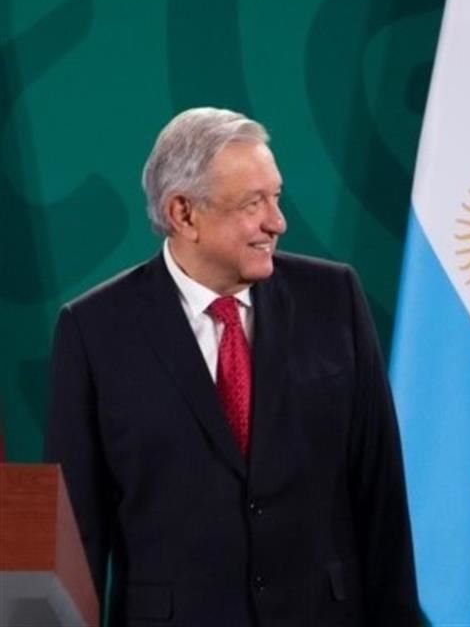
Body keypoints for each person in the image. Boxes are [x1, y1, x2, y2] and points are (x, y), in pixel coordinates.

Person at [45, 108, 419, 626]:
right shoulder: (94, 331)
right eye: (253, 203)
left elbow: (380, 498)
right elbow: (76, 536)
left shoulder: (334, 300)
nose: (277, 221)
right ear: (183, 214)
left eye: (276, 196)